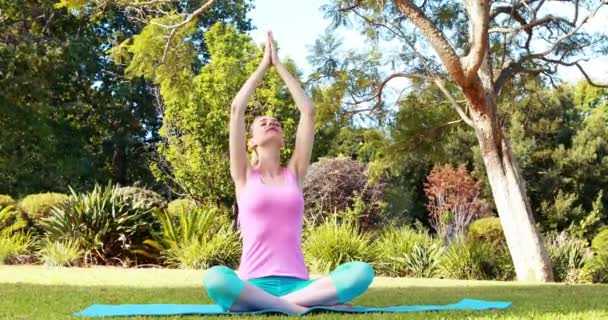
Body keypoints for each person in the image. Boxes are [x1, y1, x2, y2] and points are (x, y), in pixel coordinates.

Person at [202, 31, 374, 315]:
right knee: (216, 278)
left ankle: (282, 305)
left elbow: (307, 111)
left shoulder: (295, 172)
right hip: (252, 283)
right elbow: (236, 110)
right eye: (262, 123)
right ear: (251, 141)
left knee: (361, 272)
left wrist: (279, 65)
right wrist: (262, 66)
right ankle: (295, 308)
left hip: (300, 285)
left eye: (276, 123)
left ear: (283, 138)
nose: (271, 122)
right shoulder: (243, 175)